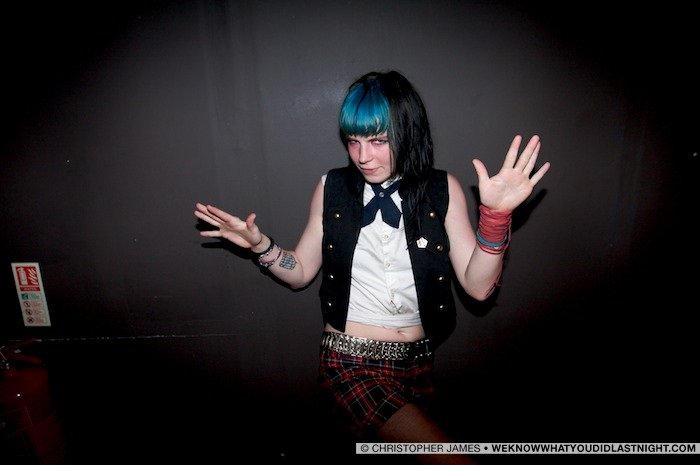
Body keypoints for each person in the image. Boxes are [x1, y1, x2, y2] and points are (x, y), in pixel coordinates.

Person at [194, 70, 550, 464]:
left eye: (378, 141)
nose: (363, 156)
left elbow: (479, 288)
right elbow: (300, 272)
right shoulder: (332, 187)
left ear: (407, 133)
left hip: (419, 364)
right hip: (349, 364)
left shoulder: (441, 188)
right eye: (354, 141)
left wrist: (495, 217)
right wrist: (260, 246)